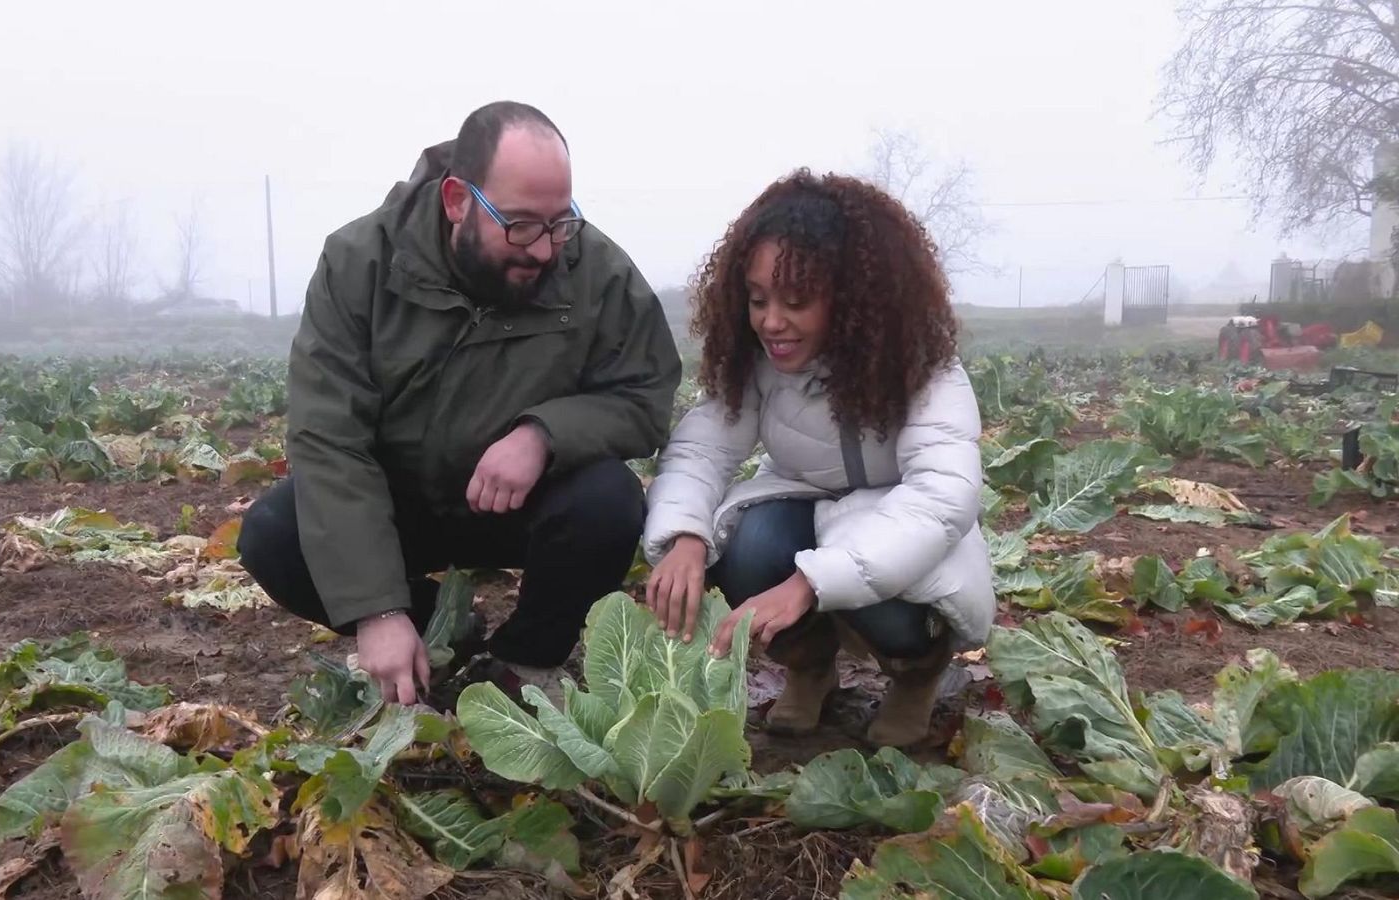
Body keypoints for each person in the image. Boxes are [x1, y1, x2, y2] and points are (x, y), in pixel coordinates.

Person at [238, 101, 681, 707]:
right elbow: (329, 438)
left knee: (608, 500)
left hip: (518, 505)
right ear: (456, 201)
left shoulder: (596, 270)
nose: (546, 250)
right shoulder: (358, 262)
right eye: (522, 225)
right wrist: (377, 609)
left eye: (560, 223)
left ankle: (525, 663)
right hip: (400, 509)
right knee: (273, 534)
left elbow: (643, 393)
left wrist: (543, 435)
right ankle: (438, 630)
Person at [640, 169, 995, 748]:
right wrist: (683, 537)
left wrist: (808, 583)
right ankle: (809, 668)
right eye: (757, 299)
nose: (771, 322)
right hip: (803, 504)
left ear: (853, 298)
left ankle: (915, 675)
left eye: (797, 301)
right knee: (745, 547)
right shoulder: (756, 364)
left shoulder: (923, 366)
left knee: (899, 593)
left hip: (904, 527)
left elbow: (941, 499)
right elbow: (703, 449)